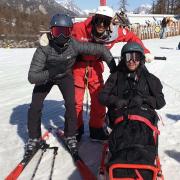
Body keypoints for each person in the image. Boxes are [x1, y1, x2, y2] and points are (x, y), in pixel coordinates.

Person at [25, 13, 116, 158]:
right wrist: (51, 71)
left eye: (65, 32)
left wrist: (113, 66)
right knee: (35, 106)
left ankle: (70, 135)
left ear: (70, 32)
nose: (61, 36)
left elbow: (100, 49)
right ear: (51, 32)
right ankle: (34, 138)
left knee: (71, 104)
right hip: (46, 77)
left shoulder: (74, 44)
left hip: (64, 77)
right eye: (57, 31)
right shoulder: (44, 47)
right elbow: (32, 77)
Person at [71, 6, 154, 142]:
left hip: (96, 67)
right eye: (98, 20)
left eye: (105, 22)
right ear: (94, 18)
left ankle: (96, 130)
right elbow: (62, 36)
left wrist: (144, 51)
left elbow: (132, 37)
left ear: (110, 23)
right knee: (75, 102)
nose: (101, 25)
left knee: (99, 100)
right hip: (78, 67)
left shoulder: (115, 33)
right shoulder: (79, 28)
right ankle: (75, 131)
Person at [99, 42, 166, 179]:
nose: (132, 61)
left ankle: (141, 160)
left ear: (141, 59)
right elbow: (103, 96)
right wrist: (116, 101)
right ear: (123, 59)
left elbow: (160, 101)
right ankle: (122, 161)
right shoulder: (116, 76)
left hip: (143, 116)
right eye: (128, 57)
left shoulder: (149, 79)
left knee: (141, 133)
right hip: (121, 115)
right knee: (122, 133)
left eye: (136, 57)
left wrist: (144, 99)